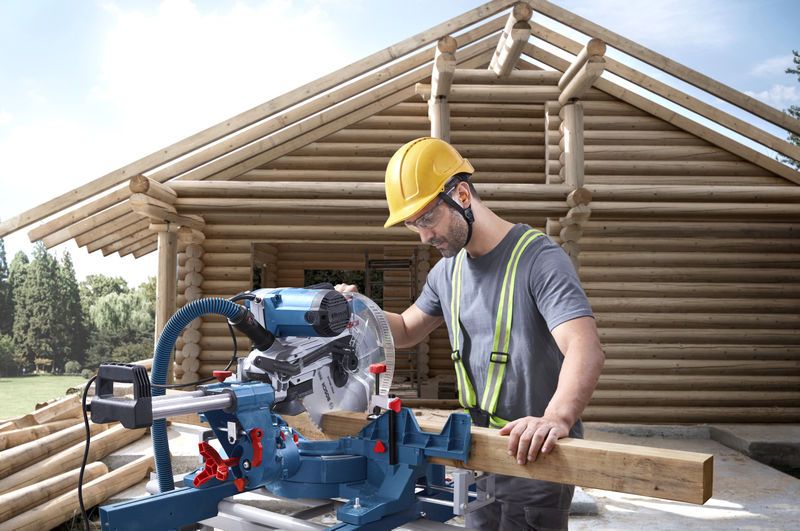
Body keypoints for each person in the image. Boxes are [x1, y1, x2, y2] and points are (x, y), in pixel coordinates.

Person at [336, 137, 605, 531]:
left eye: (427, 218)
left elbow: (584, 346)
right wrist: (359, 310)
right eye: (413, 225)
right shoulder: (447, 271)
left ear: (462, 194)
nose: (424, 236)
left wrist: (556, 417)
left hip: (536, 452)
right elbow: (408, 329)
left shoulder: (539, 258)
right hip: (478, 448)